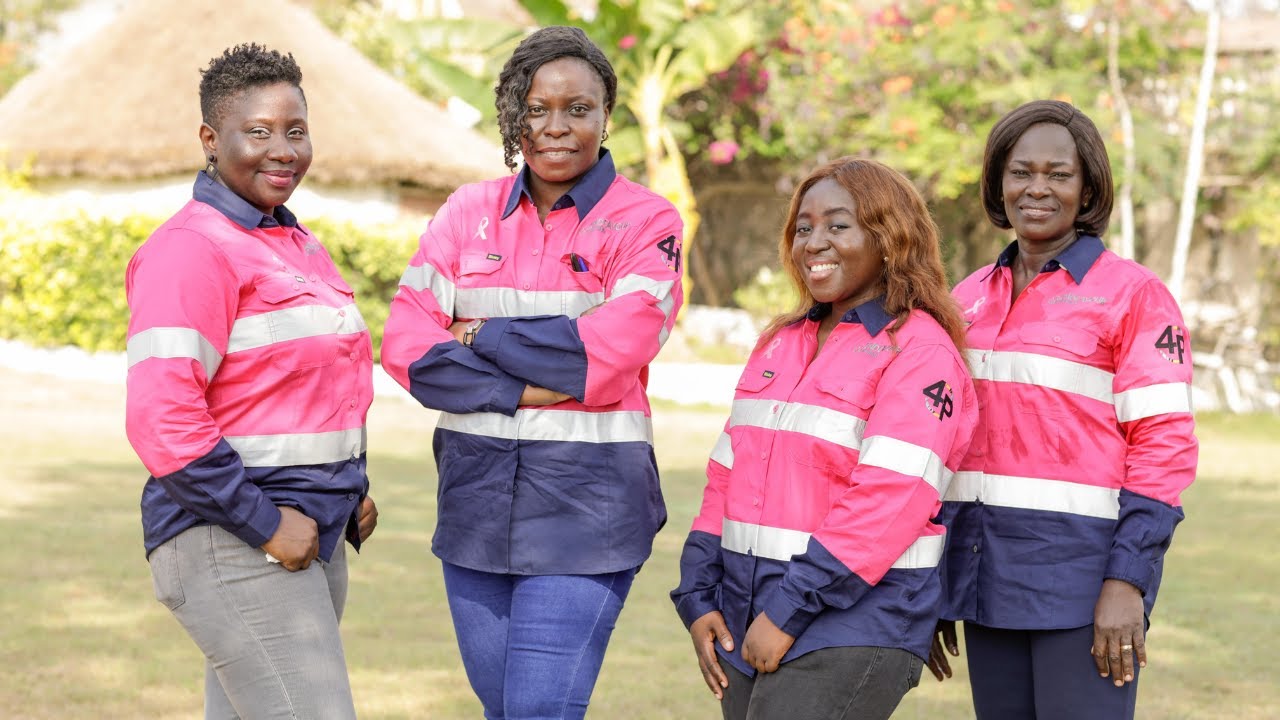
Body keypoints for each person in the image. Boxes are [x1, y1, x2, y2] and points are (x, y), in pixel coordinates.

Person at [380, 26, 683, 719]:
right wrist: (525, 385)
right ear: (513, 113)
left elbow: (608, 351)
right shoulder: (466, 212)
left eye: (578, 108)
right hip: (475, 508)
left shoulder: (646, 221)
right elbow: (405, 345)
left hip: (589, 515)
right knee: (503, 709)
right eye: (537, 108)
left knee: (538, 710)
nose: (556, 126)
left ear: (608, 115)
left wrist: (476, 332)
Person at [670, 157, 977, 719]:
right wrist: (697, 593)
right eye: (804, 228)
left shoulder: (920, 352)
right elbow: (726, 479)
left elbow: (887, 501)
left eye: (838, 225)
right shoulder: (780, 344)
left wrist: (788, 610)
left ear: (888, 238)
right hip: (745, 615)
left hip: (852, 621)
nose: (814, 242)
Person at [124, 43, 378, 719]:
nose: (282, 150)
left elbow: (319, 381)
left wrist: (351, 484)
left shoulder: (297, 245)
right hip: (234, 537)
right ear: (211, 139)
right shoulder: (191, 250)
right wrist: (264, 524)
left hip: (310, 532)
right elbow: (161, 418)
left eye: (296, 131)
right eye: (258, 132)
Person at [927, 100, 1199, 719]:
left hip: (1083, 583)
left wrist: (1126, 582)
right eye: (1021, 172)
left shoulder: (1134, 296)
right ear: (999, 181)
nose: (1038, 189)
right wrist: (935, 583)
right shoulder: (965, 297)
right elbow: (942, 442)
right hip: (982, 576)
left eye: (1059, 174)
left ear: (1088, 187)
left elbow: (1163, 448)